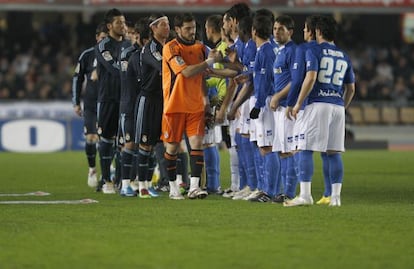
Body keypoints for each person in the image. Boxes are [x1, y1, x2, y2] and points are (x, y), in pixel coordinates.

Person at [284, 15, 355, 207]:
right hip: (337, 106)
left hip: (317, 103)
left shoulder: (312, 49)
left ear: (318, 31)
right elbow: (351, 88)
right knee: (333, 153)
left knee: (305, 148)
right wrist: (342, 105)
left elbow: (311, 77)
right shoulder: (343, 55)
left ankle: (305, 195)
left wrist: (298, 103)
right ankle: (335, 197)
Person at [162, 13, 222, 199]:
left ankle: (194, 187)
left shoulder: (201, 48)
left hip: (195, 105)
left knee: (197, 145)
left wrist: (205, 102)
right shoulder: (171, 48)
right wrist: (208, 62)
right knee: (172, 149)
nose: (192, 31)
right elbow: (186, 72)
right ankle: (172, 187)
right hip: (174, 105)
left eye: (193, 27)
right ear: (177, 29)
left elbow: (207, 72)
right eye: (187, 28)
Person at [134, 13, 170, 198]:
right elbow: (164, 65)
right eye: (163, 24)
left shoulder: (167, 46)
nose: (167, 27)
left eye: (168, 24)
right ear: (153, 28)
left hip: (163, 100)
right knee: (145, 145)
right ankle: (142, 186)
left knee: (160, 144)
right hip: (148, 101)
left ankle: (152, 183)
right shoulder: (151, 49)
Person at [95, 8, 131, 194]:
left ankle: (120, 180)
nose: (123, 26)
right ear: (110, 26)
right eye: (119, 23)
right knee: (106, 140)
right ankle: (106, 179)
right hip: (108, 99)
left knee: (124, 142)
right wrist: (131, 72)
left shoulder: (129, 45)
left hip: (126, 99)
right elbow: (113, 68)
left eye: (124, 23)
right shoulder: (103, 46)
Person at [72, 22, 108, 188]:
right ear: (96, 38)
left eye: (106, 38)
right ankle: (93, 169)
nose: (104, 41)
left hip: (109, 103)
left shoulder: (116, 54)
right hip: (91, 104)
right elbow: (77, 78)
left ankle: (109, 172)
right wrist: (76, 101)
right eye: (102, 38)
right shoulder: (87, 55)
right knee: (91, 138)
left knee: (109, 141)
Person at [118, 17, 150, 197]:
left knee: (145, 145)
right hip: (129, 105)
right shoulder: (127, 54)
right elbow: (127, 81)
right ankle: (124, 184)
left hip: (144, 105)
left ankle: (141, 183)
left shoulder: (149, 53)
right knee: (129, 144)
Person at [268, 15, 298, 203]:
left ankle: (289, 192)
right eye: (275, 28)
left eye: (281, 29)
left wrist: (278, 96)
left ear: (290, 32)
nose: (277, 31)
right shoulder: (280, 50)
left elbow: (297, 79)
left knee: (290, 150)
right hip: (280, 108)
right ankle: (285, 191)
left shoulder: (293, 51)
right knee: (282, 150)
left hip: (289, 107)